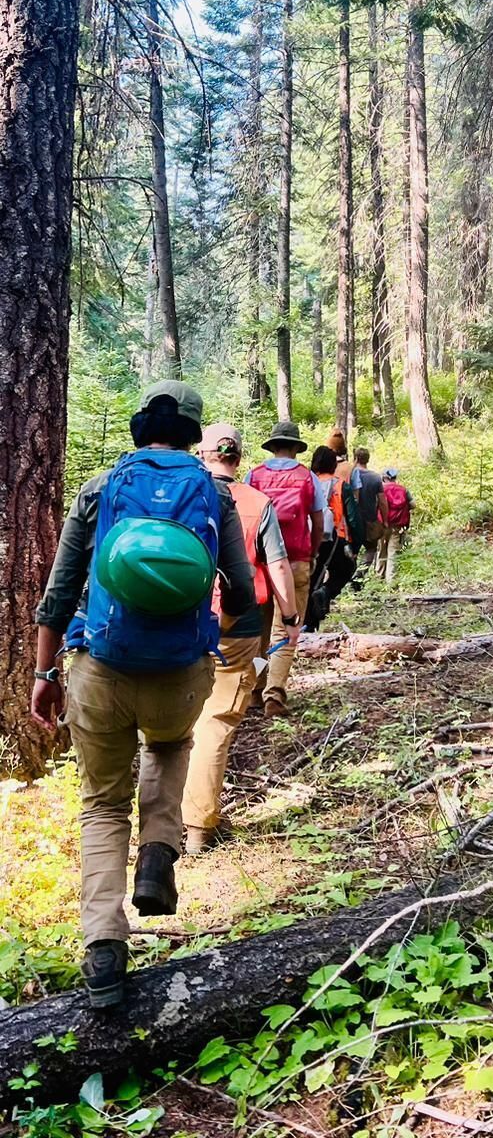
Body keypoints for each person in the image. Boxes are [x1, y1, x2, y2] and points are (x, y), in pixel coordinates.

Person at [31, 382, 255, 1010]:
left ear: (140, 426)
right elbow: (240, 593)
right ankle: (158, 852)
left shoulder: (100, 490)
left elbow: (59, 593)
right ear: (192, 432)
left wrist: (45, 675)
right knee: (171, 743)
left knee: (102, 805)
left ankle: (103, 948)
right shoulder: (214, 493)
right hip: (181, 671)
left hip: (100, 667)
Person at [181, 424, 299, 853]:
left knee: (171, 717)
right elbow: (279, 565)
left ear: (203, 453)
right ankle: (196, 826)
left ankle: (158, 826)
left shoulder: (180, 492)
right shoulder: (255, 501)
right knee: (215, 721)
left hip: (177, 621)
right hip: (235, 623)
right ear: (238, 457)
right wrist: (290, 615)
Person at [247, 420, 325, 715]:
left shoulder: (254, 475)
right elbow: (318, 522)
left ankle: (255, 689)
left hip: (260, 564)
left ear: (273, 446)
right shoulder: (307, 477)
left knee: (260, 632)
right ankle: (274, 696)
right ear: (295, 448)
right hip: (295, 562)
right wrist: (312, 552)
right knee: (286, 631)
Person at [309, 445, 357, 620]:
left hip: (308, 536)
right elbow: (352, 517)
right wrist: (356, 543)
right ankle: (326, 592)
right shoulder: (340, 485)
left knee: (312, 577)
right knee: (346, 569)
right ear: (332, 465)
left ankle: (308, 621)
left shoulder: (307, 481)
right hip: (336, 537)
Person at [349, 447, 389, 585]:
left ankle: (348, 575)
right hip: (370, 520)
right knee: (371, 549)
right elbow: (382, 501)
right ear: (368, 459)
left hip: (352, 520)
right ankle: (359, 575)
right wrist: (385, 521)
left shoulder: (349, 474)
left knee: (352, 549)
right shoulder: (375, 477)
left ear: (355, 458)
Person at [376, 469, 415, 586]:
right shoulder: (403, 490)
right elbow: (413, 505)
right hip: (397, 526)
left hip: (382, 525)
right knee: (393, 552)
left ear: (384, 477)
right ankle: (391, 581)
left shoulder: (381, 489)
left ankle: (379, 579)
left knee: (381, 551)